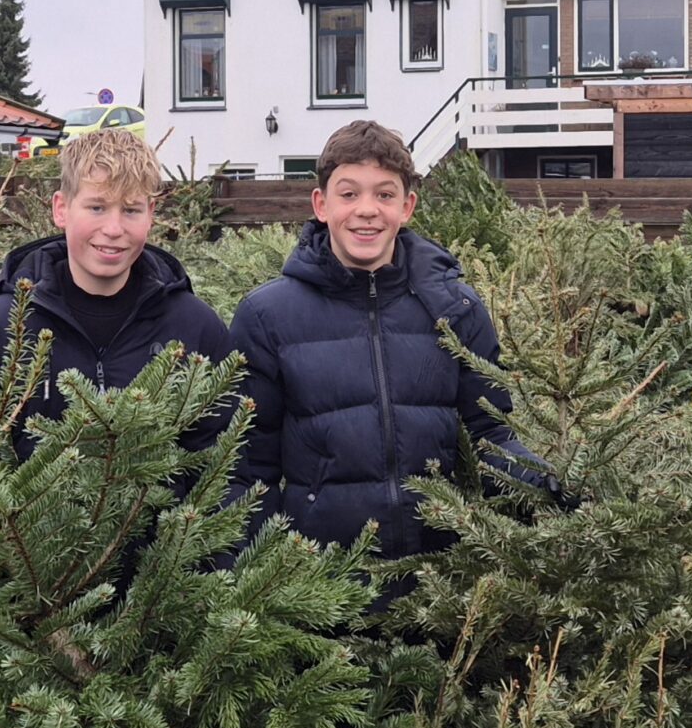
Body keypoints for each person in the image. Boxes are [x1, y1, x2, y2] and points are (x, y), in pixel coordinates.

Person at [230, 119, 546, 557]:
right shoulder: (267, 316)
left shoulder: (457, 308)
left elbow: (489, 430)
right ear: (321, 204)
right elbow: (249, 467)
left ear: (407, 206)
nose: (367, 209)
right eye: (349, 194)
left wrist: (538, 480)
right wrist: (262, 570)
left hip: (440, 572)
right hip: (320, 575)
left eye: (384, 194)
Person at [0, 128, 232, 446]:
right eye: (97, 207)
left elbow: (221, 458)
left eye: (131, 210)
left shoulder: (195, 327)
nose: (113, 229)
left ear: (150, 215)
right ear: (61, 209)